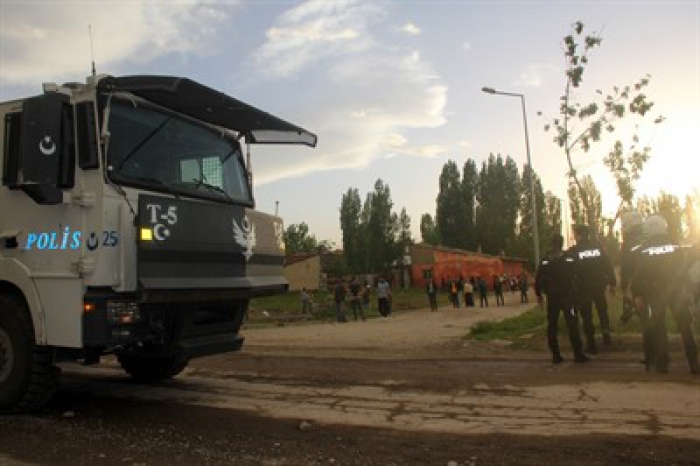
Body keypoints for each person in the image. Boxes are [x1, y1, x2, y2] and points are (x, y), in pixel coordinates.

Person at [629, 215, 699, 374]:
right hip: (676, 290)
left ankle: (662, 364)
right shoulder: (674, 244)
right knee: (685, 326)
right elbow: (683, 268)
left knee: (659, 327)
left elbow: (639, 274)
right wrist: (687, 288)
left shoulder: (644, 248)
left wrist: (637, 294)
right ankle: (693, 362)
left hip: (654, 293)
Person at [535, 233, 589, 364]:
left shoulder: (545, 259)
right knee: (573, 325)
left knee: (552, 326)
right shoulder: (569, 257)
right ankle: (578, 354)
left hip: (552, 299)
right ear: (562, 243)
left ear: (551, 243)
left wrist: (539, 295)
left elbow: (538, 278)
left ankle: (556, 356)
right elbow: (580, 273)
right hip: (568, 298)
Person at [569, 224, 616, 354]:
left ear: (578, 235)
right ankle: (606, 336)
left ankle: (591, 344)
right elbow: (608, 265)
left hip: (583, 288)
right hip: (599, 286)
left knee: (587, 316)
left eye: (575, 234)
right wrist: (612, 283)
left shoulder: (574, 251)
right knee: (602, 311)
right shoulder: (598, 249)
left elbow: (569, 269)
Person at [619, 211, 645, 324]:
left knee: (637, 300)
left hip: (636, 278)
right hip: (652, 277)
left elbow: (625, 264)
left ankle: (631, 310)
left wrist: (624, 285)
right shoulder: (647, 238)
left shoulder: (628, 242)